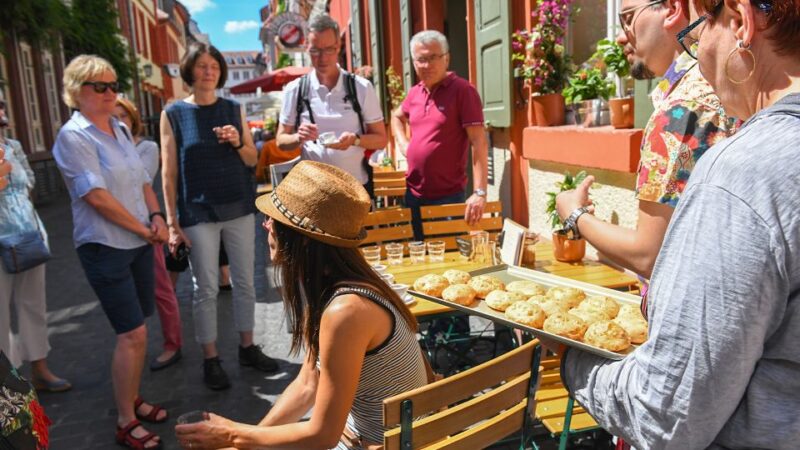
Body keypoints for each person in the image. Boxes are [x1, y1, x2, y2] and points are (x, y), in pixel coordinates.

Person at [556, 1, 800, 448]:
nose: (701, 43)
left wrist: (571, 360)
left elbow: (668, 414)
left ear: (741, 21)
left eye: (705, 23)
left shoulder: (741, 170)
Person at [175, 161, 428, 449]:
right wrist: (244, 443)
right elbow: (308, 384)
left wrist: (233, 435)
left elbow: (322, 435)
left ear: (304, 241)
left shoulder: (345, 311)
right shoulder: (333, 289)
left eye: (273, 219)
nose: (265, 224)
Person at [555, 0, 738, 308]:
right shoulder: (721, 87)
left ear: (673, 9)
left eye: (628, 18)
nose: (621, 36)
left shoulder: (681, 110)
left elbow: (649, 255)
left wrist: (574, 214)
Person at [53, 55, 168, 449]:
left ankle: (130, 396)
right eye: (98, 86)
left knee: (139, 327)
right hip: (105, 246)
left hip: (137, 243)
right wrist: (143, 229)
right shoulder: (74, 137)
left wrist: (157, 216)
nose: (109, 92)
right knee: (132, 334)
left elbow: (141, 181)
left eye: (113, 85)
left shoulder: (119, 127)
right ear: (76, 91)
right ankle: (124, 420)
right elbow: (97, 197)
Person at [161, 42, 278, 391]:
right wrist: (171, 222)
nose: (208, 71)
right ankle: (210, 357)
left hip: (238, 207)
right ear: (190, 71)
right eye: (201, 66)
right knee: (206, 287)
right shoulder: (174, 113)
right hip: (197, 211)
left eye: (214, 65)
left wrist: (236, 142)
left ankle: (247, 347)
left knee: (245, 282)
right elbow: (168, 172)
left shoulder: (232, 108)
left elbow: (249, 160)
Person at [391, 30, 489, 241]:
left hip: (448, 198)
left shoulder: (463, 91)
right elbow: (396, 116)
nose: (427, 65)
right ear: (414, 62)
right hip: (413, 195)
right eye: (421, 59)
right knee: (419, 260)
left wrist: (480, 192)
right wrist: (403, 144)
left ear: (447, 58)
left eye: (433, 57)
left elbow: (478, 141)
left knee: (449, 260)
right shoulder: (415, 93)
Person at [0, 100, 71, 393]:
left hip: (28, 234)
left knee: (33, 304)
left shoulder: (13, 145)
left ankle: (40, 368)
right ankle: (7, 381)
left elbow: (29, 180)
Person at [276, 14, 387, 197]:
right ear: (306, 48)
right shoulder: (294, 89)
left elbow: (381, 139)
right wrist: (298, 137)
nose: (322, 58)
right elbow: (281, 141)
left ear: (339, 47)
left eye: (329, 49)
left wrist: (355, 140)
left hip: (354, 190)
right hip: (313, 192)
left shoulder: (360, 87)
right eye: (315, 50)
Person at [113, 97, 183, 371]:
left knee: (162, 289)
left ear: (133, 120)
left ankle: (173, 343)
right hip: (115, 229)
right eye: (114, 117)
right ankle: (132, 347)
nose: (119, 122)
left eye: (124, 117)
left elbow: (136, 180)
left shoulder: (146, 147)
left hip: (146, 228)